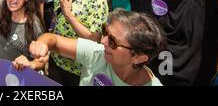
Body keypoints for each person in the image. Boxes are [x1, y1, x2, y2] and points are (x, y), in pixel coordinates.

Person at [28, 10, 166, 86]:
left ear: (138, 57)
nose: (103, 40)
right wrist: (42, 45)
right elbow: (53, 39)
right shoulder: (98, 54)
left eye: (112, 41)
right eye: (105, 32)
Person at [48, 0, 109, 86]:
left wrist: (69, 15)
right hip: (56, 60)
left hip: (78, 69)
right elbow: (55, 21)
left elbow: (95, 39)